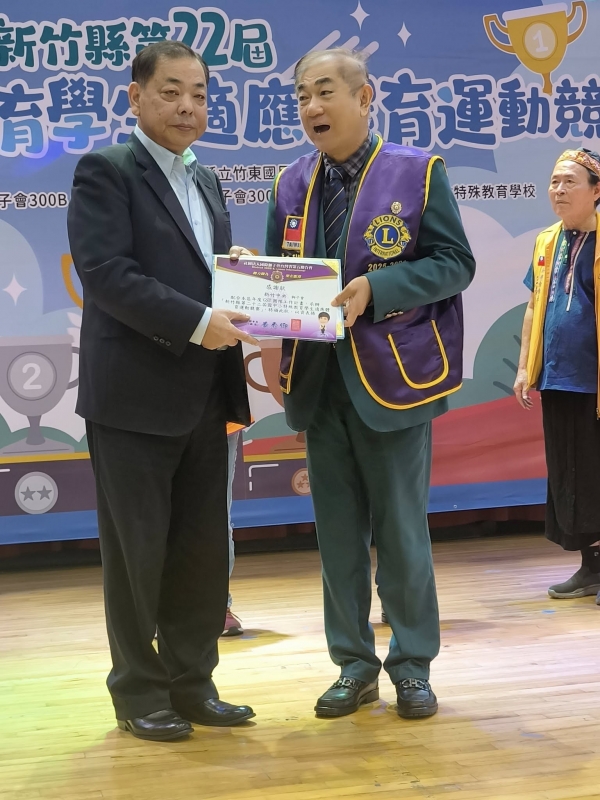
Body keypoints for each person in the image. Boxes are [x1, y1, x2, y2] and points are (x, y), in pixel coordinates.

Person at [261, 48, 475, 719]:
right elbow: (277, 275)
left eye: (324, 92)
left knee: (403, 534)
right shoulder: (290, 183)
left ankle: (412, 665)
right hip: (317, 383)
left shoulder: (418, 171)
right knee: (337, 540)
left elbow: (454, 263)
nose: (312, 107)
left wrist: (377, 289)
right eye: (302, 96)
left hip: (393, 382)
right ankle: (353, 666)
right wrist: (254, 292)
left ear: (364, 97)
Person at [67, 41, 258, 741]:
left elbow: (198, 271)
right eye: (172, 92)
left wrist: (237, 275)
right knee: (137, 556)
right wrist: (200, 320)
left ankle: (193, 683)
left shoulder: (206, 179)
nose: (188, 107)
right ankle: (138, 693)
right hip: (134, 400)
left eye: (199, 94)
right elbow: (107, 274)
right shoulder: (107, 170)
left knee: (201, 552)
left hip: (205, 394)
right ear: (136, 97)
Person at [514, 148, 600, 602]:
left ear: (596, 191)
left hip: (595, 381)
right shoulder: (547, 241)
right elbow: (535, 306)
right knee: (571, 474)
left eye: (570, 182)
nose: (559, 190)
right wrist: (525, 367)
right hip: (558, 377)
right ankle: (591, 567)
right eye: (554, 182)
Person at [222, 425, 244, 636]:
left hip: (220, 421)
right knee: (162, 515)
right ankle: (163, 609)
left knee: (217, 518)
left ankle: (218, 605)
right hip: (156, 418)